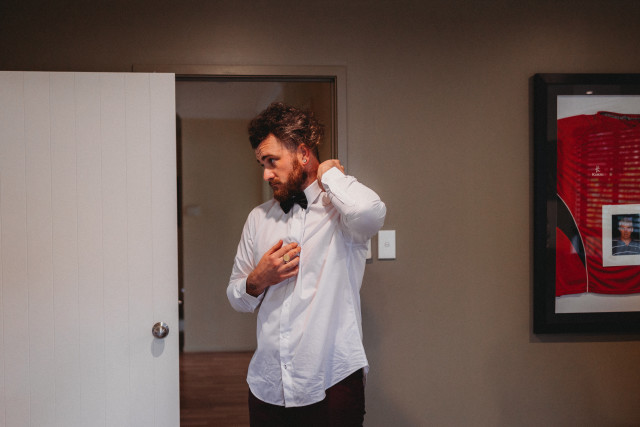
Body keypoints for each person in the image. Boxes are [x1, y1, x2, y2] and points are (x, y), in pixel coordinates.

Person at [226, 102, 386, 426]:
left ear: (302, 153)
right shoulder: (258, 218)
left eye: (272, 161)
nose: (266, 174)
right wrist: (258, 280)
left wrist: (331, 175)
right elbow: (236, 298)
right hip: (268, 387)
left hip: (331, 381)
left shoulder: (341, 213)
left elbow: (371, 212)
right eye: (261, 164)